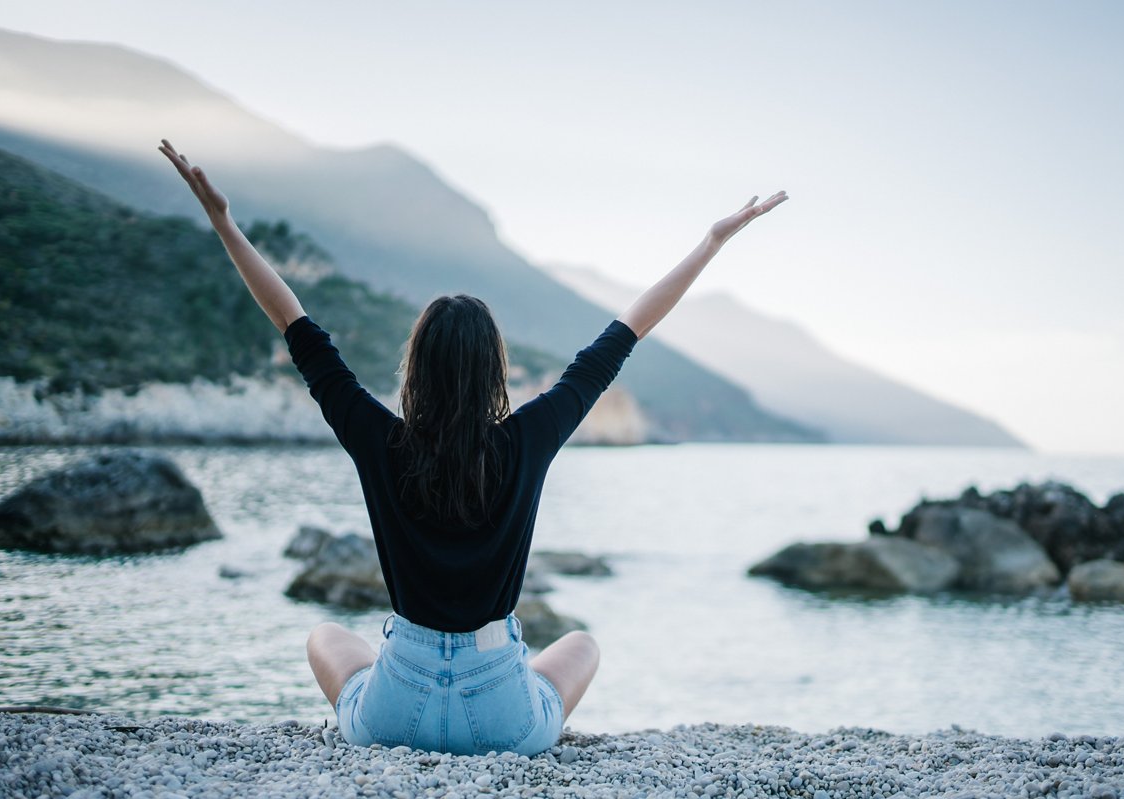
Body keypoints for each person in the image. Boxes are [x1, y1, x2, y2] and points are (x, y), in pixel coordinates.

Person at [159, 139, 787, 755]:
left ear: (416, 367)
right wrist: (710, 243)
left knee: (326, 635)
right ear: (494, 370)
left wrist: (223, 222)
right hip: (502, 711)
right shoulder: (530, 438)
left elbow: (297, 329)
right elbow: (622, 335)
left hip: (395, 705)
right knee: (581, 647)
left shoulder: (379, 440)